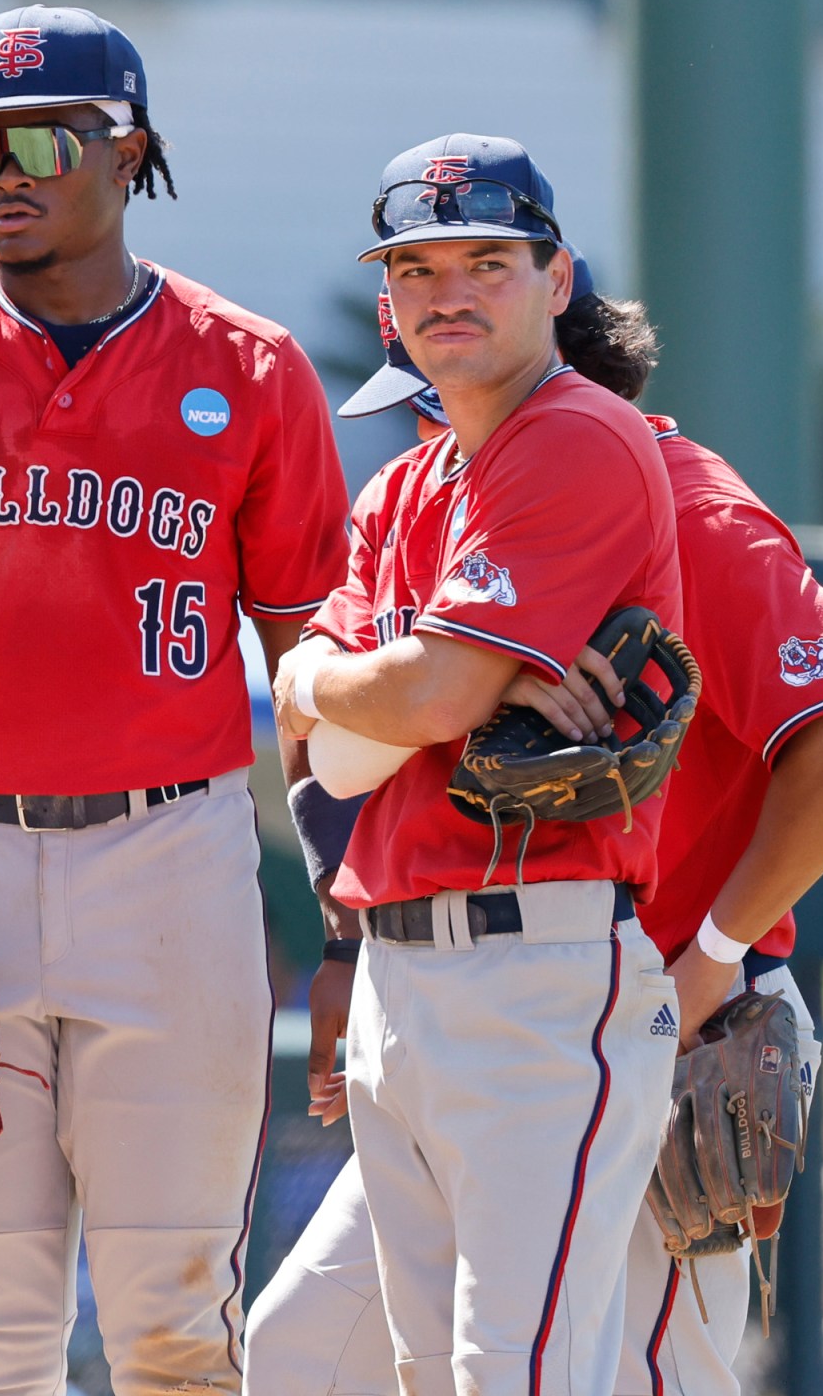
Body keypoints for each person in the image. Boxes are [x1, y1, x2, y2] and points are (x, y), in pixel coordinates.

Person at [0, 5, 349, 1396]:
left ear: (126, 146)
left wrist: (344, 918)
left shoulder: (249, 371)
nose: (3, 171)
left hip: (173, 856)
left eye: (39, 137)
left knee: (170, 1326)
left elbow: (317, 678)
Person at [246, 263, 823, 1396]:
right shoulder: (432, 508)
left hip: (662, 1004)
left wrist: (712, 959)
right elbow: (359, 756)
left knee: (626, 1375)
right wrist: (353, 949)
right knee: (309, 1348)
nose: (433, 418)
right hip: (476, 1000)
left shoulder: (685, 502)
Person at [271, 133, 684, 1396]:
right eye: (418, 266)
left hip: (539, 974)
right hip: (402, 970)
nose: (449, 290)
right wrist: (323, 681)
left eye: (488, 260)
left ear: (556, 280)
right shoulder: (402, 488)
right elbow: (323, 748)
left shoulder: (578, 438)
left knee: (517, 1373)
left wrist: (409, 682)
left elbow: (426, 690)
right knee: (408, 1372)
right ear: (387, 298)